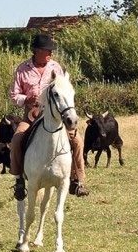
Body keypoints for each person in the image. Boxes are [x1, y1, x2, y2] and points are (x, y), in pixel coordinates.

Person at [9, 33, 89, 199]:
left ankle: (77, 181)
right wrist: (26, 99)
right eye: (48, 50)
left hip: (54, 115)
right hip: (31, 114)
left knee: (77, 141)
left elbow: (64, 89)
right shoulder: (22, 69)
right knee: (16, 140)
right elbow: (14, 95)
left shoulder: (56, 67)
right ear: (37, 51)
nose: (51, 53)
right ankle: (18, 181)